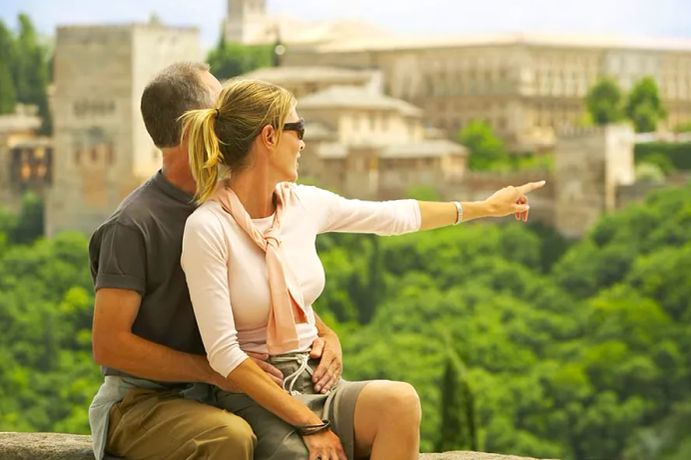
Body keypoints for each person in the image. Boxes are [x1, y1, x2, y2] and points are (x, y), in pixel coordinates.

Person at [179, 78, 546, 460]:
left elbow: (392, 216)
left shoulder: (304, 204)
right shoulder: (208, 227)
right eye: (298, 129)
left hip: (315, 377)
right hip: (256, 395)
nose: (304, 142)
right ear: (269, 137)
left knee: (400, 401)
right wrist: (311, 424)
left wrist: (483, 208)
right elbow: (224, 356)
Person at [87, 63, 345, 460]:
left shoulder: (232, 203)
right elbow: (109, 345)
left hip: (219, 390)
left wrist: (323, 333)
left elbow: (266, 287)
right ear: (195, 130)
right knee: (229, 438)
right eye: (221, 112)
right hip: (142, 402)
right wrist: (213, 369)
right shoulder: (134, 225)